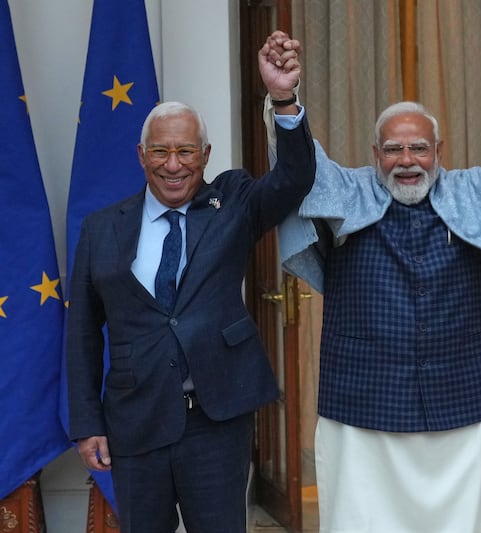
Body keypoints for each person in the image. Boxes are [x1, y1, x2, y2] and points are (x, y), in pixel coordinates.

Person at [264, 32, 481, 532]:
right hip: (365, 396)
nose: (407, 160)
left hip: (466, 392)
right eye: (394, 149)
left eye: (419, 148)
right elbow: (298, 166)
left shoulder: (473, 191)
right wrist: (283, 98)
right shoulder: (345, 189)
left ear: (439, 150)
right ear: (374, 152)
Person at [65, 39, 315, 533]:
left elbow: (294, 176)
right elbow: (82, 335)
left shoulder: (235, 203)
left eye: (185, 151)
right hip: (136, 420)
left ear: (205, 155)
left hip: (216, 420)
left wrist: (283, 100)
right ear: (142, 155)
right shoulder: (102, 229)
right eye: (160, 151)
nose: (173, 165)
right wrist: (87, 423)